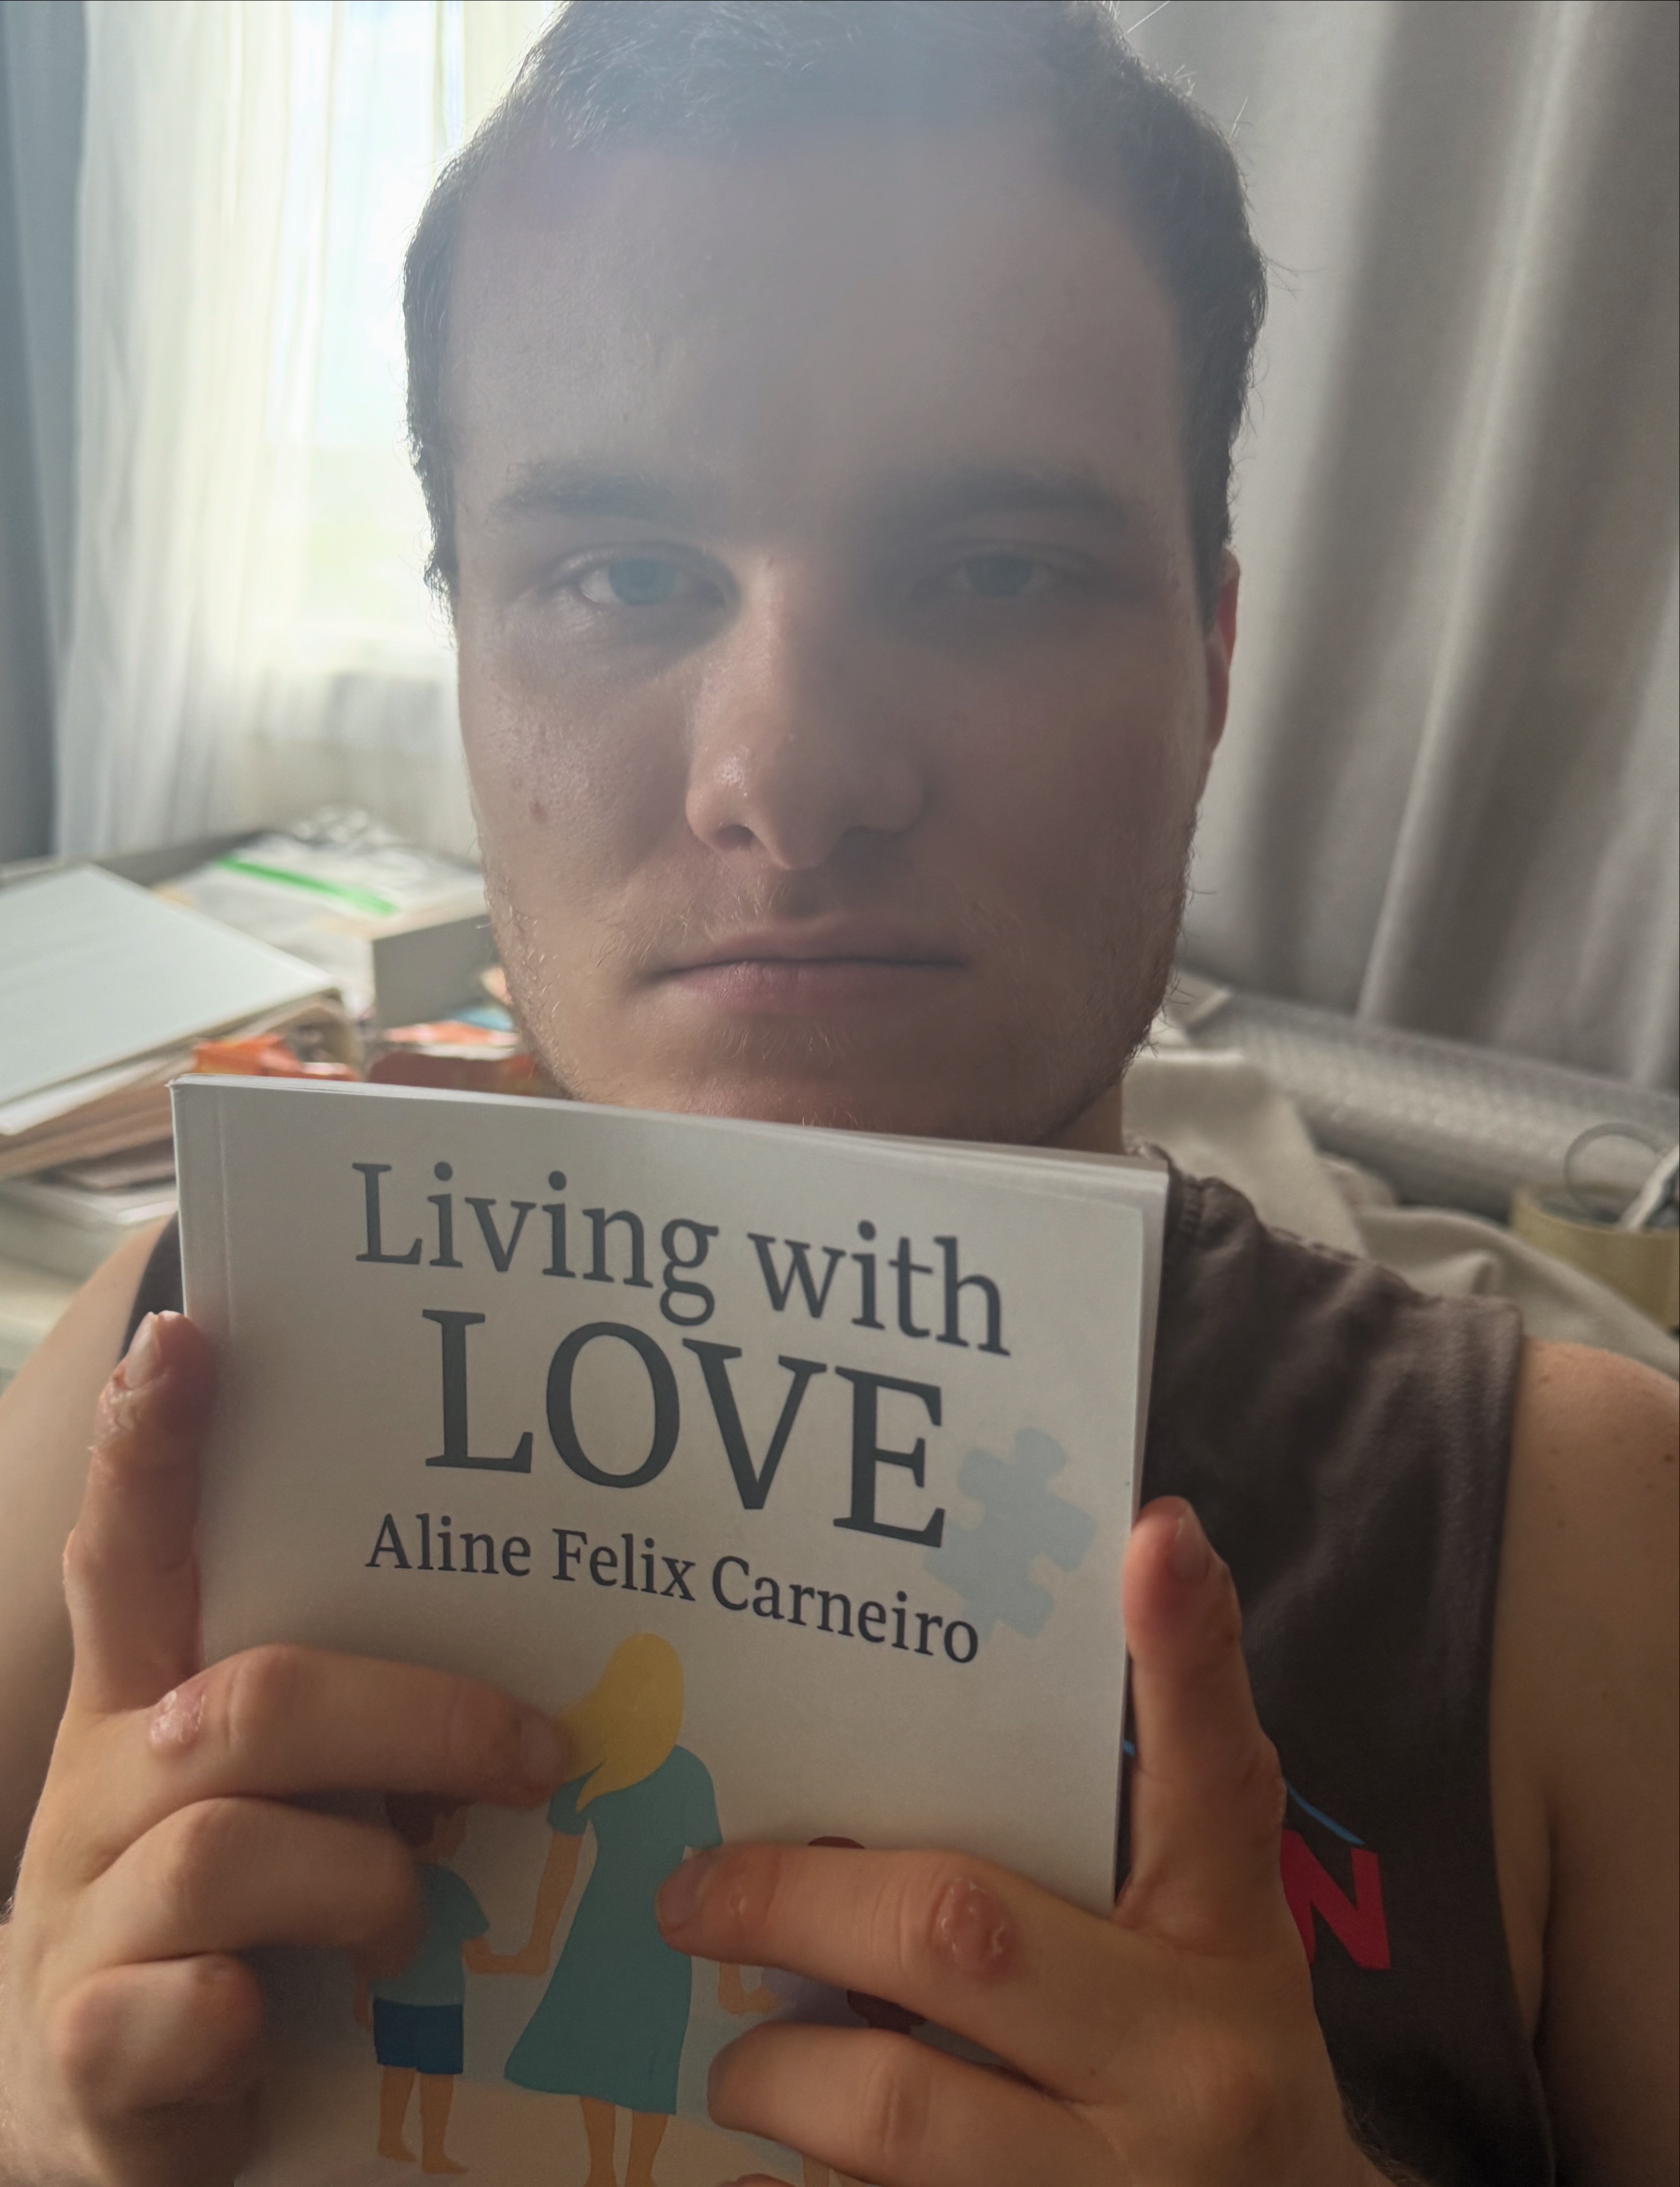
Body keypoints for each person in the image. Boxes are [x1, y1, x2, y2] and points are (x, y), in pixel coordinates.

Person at [0, 5, 1674, 2185]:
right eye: (621, 576)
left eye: (993, 573)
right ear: (467, 652)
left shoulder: (1566, 1549)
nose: (785, 782)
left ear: (1209, 663)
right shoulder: (167, 1375)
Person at [497, 1633, 774, 2187]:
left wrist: (730, 1981)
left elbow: (716, 1879)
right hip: (620, 1930)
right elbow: (560, 1867)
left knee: (648, 2056)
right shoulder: (598, 1766)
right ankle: (606, 2171)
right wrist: (537, 1944)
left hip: (661, 1932)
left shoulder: (681, 1772)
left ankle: (634, 2175)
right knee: (606, 2051)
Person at [352, 1795, 496, 2176]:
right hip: (440, 2002)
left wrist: (360, 1995)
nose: (464, 1833)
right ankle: (433, 2152)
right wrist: (517, 1963)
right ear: (442, 1827)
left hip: (391, 1996)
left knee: (397, 2071)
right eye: (461, 1823)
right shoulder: (451, 1888)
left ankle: (390, 2139)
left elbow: (367, 1948)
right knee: (437, 2077)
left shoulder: (387, 1883)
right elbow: (480, 1958)